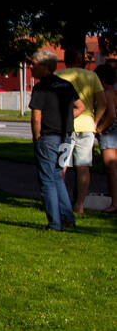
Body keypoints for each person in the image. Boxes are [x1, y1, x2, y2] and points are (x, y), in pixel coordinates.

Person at [29, 48, 85, 231]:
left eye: (34, 64)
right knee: (57, 177)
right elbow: (81, 107)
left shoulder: (41, 88)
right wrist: (66, 118)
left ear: (44, 67)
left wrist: (36, 137)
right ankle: (68, 218)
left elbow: (36, 117)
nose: (30, 67)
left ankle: (54, 223)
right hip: (65, 137)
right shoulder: (65, 85)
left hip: (48, 137)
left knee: (47, 180)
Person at [56, 46, 103, 216]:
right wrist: (95, 122)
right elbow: (103, 103)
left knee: (62, 166)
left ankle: (61, 202)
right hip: (86, 125)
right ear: (79, 60)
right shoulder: (91, 76)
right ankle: (80, 205)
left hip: (64, 125)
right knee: (83, 167)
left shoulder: (58, 76)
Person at [93, 62, 117, 214]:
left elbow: (111, 115)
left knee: (111, 169)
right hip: (112, 133)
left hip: (109, 134)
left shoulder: (107, 93)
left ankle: (114, 203)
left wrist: (99, 129)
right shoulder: (113, 91)